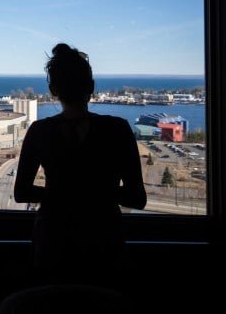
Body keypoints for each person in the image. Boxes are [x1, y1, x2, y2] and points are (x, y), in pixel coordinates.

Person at [13, 43, 147, 286]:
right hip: (105, 243)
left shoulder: (40, 131)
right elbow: (137, 198)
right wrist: (97, 193)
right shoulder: (117, 129)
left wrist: (60, 194)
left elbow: (21, 193)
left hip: (52, 244)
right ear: (92, 87)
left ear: (53, 90)